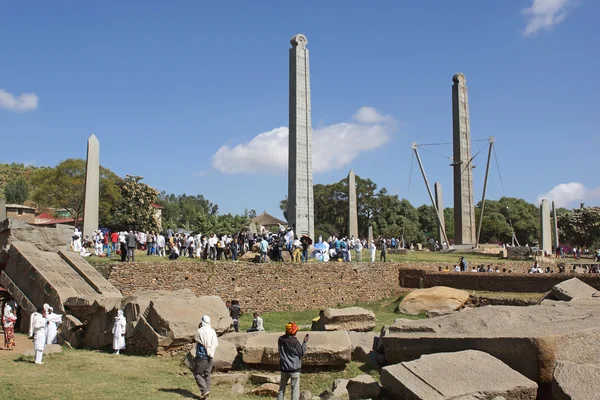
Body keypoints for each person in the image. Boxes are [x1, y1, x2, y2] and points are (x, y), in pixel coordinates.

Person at [277, 322, 309, 400]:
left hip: (284, 368)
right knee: (294, 390)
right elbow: (301, 353)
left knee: (281, 388)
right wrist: (304, 343)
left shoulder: (280, 339)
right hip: (294, 369)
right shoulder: (294, 342)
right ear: (293, 332)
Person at [194, 315, 218, 399]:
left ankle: (204, 391)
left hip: (202, 356)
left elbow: (196, 339)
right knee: (207, 374)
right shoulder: (212, 331)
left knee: (197, 374)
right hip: (210, 356)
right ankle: (206, 395)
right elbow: (215, 343)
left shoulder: (200, 331)